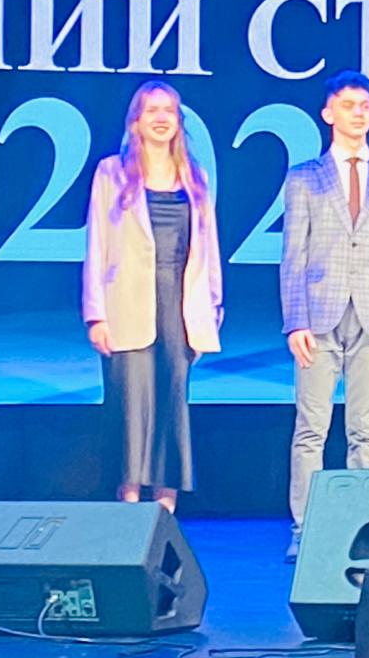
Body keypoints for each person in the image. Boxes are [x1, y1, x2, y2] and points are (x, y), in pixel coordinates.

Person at [281, 70, 369, 563]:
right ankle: (305, 529)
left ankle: (359, 528)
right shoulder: (305, 177)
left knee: (365, 428)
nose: (357, 113)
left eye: (364, 106)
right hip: (319, 315)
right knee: (311, 429)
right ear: (328, 113)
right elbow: (293, 255)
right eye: (347, 105)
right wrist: (295, 321)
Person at [83, 80, 223, 515]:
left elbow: (208, 250)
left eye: (169, 111)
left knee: (172, 403)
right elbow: (96, 245)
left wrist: (211, 310)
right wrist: (95, 315)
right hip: (126, 304)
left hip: (178, 307)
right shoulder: (111, 173)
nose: (161, 119)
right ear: (136, 121)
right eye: (152, 111)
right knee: (131, 405)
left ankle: (165, 503)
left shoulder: (195, 178)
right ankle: (129, 501)